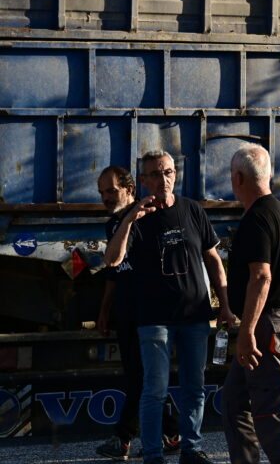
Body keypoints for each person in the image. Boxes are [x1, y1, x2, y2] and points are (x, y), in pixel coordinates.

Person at [104, 151, 235, 464]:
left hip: (195, 316)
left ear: (175, 174)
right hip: (154, 320)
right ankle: (153, 455)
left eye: (168, 172)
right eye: (155, 174)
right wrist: (131, 217)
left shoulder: (192, 210)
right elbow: (112, 259)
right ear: (144, 181)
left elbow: (213, 260)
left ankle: (191, 449)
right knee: (155, 391)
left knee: (194, 388)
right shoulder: (134, 216)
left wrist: (226, 305)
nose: (163, 179)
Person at [221, 144, 280, 464]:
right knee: (233, 403)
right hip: (276, 319)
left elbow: (261, 278)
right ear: (268, 174)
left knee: (272, 412)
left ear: (239, 178)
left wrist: (248, 330)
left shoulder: (257, 219)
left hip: (265, 326)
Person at [95, 166, 179, 460]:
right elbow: (113, 272)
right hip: (126, 313)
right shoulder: (113, 224)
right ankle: (172, 432)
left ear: (130, 189)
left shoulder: (147, 217)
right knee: (139, 377)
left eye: (111, 190)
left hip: (149, 313)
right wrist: (105, 311)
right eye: (102, 192)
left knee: (141, 377)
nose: (106, 197)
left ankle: (124, 437)